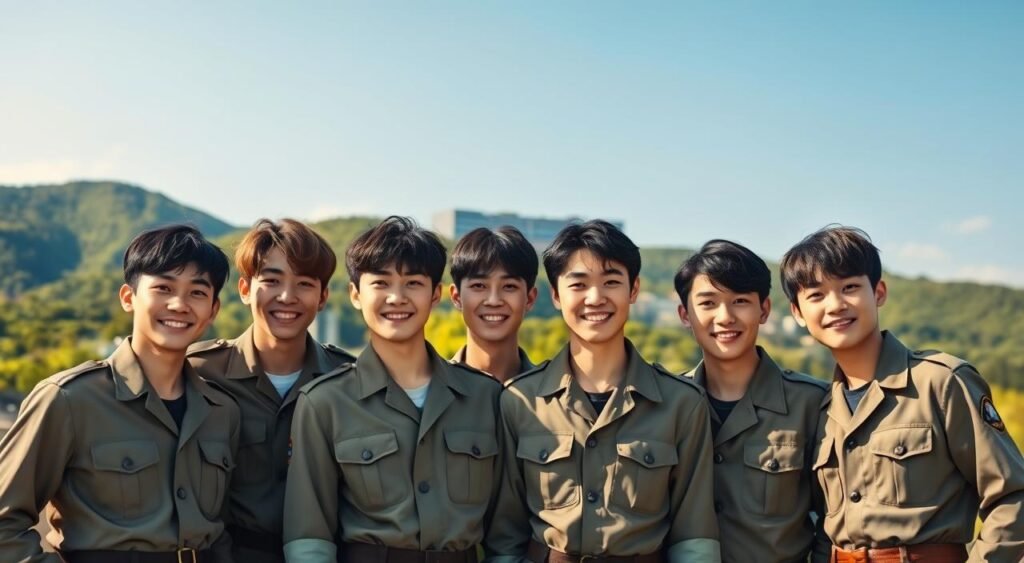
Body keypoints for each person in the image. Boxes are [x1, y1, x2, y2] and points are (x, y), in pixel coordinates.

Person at [781, 225, 1024, 563]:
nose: (835, 305)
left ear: (878, 292)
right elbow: (827, 528)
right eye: (816, 295)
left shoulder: (940, 383)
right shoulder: (822, 410)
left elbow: (1013, 497)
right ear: (797, 312)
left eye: (849, 287)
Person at [0, 224, 239, 562]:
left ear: (213, 310)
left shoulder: (222, 411)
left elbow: (220, 528)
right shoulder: (68, 399)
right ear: (128, 298)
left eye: (197, 293)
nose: (179, 304)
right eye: (163, 288)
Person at [486, 220, 720, 563]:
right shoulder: (521, 401)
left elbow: (694, 537)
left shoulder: (681, 404)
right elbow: (505, 537)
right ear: (555, 295)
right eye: (578, 284)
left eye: (611, 282)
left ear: (634, 289)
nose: (595, 298)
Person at [282, 216, 502, 563]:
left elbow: (506, 536)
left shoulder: (485, 398)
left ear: (435, 294)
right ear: (356, 295)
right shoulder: (324, 402)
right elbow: (309, 540)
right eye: (381, 283)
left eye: (413, 283)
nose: (397, 298)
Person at [188, 218, 354, 563]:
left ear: (323, 297)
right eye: (272, 280)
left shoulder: (348, 380)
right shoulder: (198, 373)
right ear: (245, 289)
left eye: (304, 283)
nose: (287, 297)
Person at [676, 239, 828, 563]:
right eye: (708, 303)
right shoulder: (668, 403)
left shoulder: (812, 404)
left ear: (764, 310)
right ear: (685, 314)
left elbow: (834, 523)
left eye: (740, 301)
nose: (725, 317)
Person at [449, 226, 539, 381]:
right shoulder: (428, 389)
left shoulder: (555, 393)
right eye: (479, 286)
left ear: (529, 298)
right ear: (457, 297)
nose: (494, 301)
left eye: (509, 286)